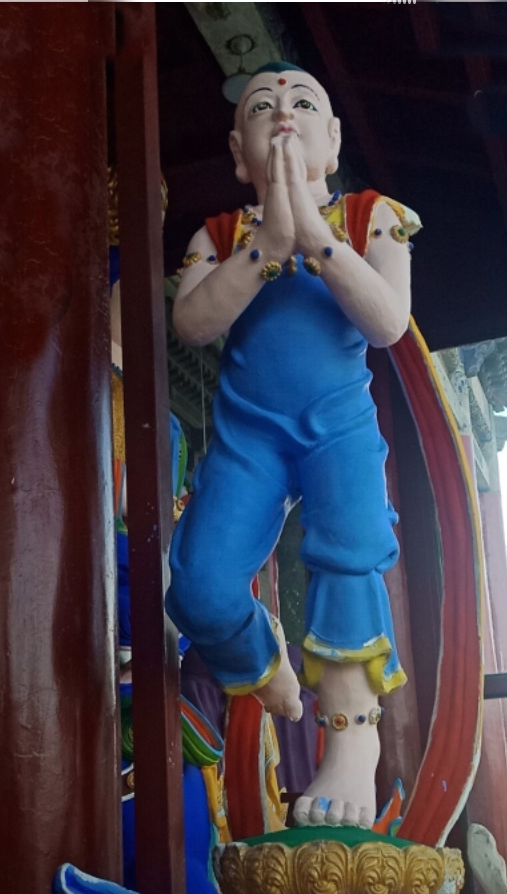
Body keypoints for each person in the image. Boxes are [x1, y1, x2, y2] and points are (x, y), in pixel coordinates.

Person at [166, 62, 419, 831]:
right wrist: (269, 244)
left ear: (333, 141)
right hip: (250, 433)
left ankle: (352, 735)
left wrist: (315, 239)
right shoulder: (219, 236)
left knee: (351, 549)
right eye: (261, 108)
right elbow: (192, 324)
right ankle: (259, 663)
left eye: (304, 103)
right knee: (199, 586)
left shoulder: (373, 217)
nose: (283, 114)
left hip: (337, 422)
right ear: (238, 155)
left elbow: (387, 322)